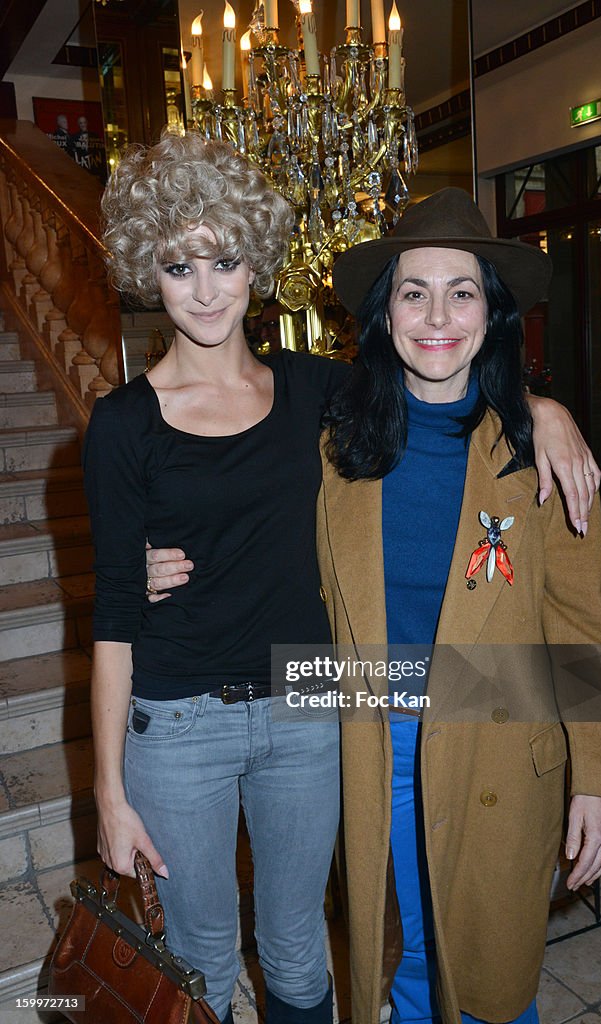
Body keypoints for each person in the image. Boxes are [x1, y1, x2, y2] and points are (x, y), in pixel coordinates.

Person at [311, 187, 601, 1024]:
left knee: (491, 977)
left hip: (501, 751)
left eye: (463, 291)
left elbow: (583, 629)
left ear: (492, 312)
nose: (437, 315)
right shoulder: (335, 448)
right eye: (414, 291)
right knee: (404, 957)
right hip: (379, 749)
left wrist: (595, 779)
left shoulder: (539, 453)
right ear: (384, 315)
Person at [84, 132, 347, 1024]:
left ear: (255, 264)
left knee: (298, 950)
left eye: (223, 260)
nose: (203, 291)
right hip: (177, 725)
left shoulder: (315, 388)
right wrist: (107, 792)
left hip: (306, 706)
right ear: (145, 273)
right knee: (197, 957)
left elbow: (439, 389)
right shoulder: (123, 423)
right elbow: (114, 616)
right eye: (176, 265)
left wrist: (540, 408)